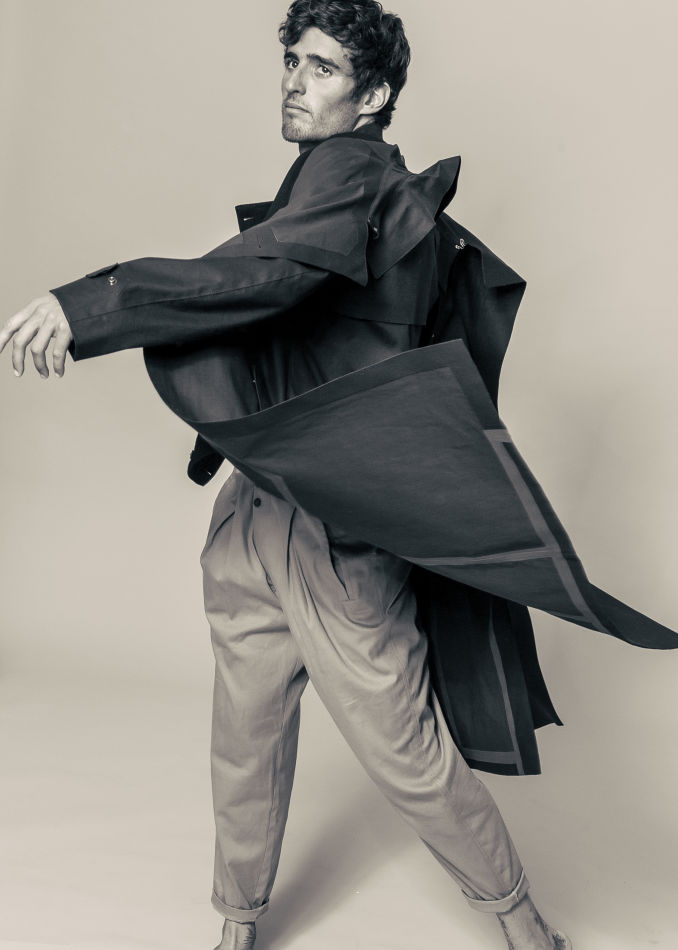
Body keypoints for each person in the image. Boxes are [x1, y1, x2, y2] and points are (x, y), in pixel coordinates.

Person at [2, 2, 675, 949]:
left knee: (398, 749)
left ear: (374, 96)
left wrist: (96, 304)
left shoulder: (354, 175)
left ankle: (522, 926)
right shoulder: (331, 187)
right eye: (293, 60)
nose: (294, 80)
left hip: (334, 531)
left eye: (321, 68)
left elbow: (261, 277)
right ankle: (241, 926)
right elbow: (276, 302)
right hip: (263, 505)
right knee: (247, 733)